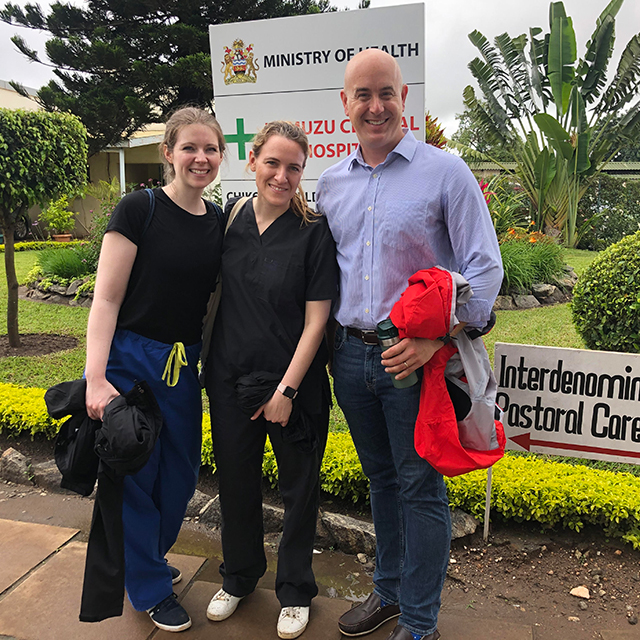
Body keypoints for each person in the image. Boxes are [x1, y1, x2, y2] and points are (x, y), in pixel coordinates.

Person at [316, 49, 503, 640]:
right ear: (344, 106)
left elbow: (485, 271)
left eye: (385, 93)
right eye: (362, 95)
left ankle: (420, 623)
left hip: (416, 362)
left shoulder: (444, 172)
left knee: (421, 486)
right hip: (349, 358)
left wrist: (433, 339)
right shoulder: (330, 183)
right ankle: (389, 592)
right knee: (380, 479)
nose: (375, 106)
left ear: (404, 98)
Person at [84, 106, 226, 633]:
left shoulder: (217, 222)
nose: (200, 157)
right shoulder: (138, 209)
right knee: (137, 474)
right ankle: (146, 585)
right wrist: (96, 378)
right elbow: (105, 299)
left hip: (183, 365)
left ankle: (148, 556)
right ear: (168, 153)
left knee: (180, 474)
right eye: (189, 147)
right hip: (132, 360)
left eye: (210, 148)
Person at [204, 121, 337, 640]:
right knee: (235, 485)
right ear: (252, 161)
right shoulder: (229, 221)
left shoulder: (314, 231)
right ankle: (238, 577)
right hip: (230, 380)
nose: (282, 176)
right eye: (273, 163)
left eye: (294, 167)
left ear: (304, 173)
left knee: (299, 489)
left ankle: (295, 590)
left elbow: (317, 321)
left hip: (293, 389)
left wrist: (286, 391)